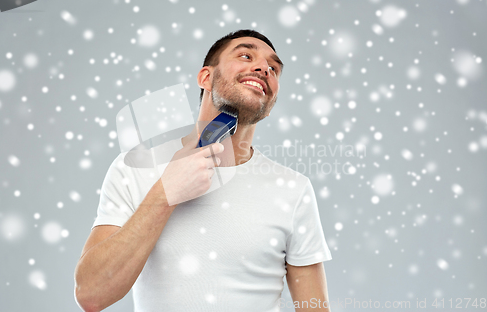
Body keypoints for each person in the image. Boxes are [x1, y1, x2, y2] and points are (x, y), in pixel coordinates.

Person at [74, 29, 332, 312]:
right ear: (205, 78)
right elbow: (91, 294)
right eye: (246, 55)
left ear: (269, 104)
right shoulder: (133, 168)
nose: (263, 68)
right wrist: (165, 193)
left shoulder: (293, 189)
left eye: (274, 68)